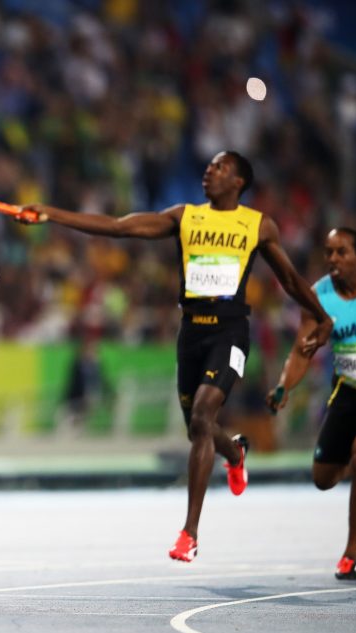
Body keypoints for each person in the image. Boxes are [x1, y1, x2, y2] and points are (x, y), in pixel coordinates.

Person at [16, 151, 333, 562]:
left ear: (238, 181)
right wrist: (52, 215)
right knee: (197, 428)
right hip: (191, 334)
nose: (209, 171)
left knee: (203, 415)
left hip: (231, 331)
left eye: (219, 167)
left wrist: (321, 318)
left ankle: (189, 533)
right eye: (208, 166)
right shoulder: (185, 217)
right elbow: (117, 228)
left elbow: (289, 279)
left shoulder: (258, 225)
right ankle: (234, 452)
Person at [267, 227, 356, 581]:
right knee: (323, 479)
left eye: (341, 252)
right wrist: (283, 387)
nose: (333, 259)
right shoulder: (318, 296)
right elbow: (301, 351)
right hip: (345, 388)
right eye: (328, 252)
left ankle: (350, 555)